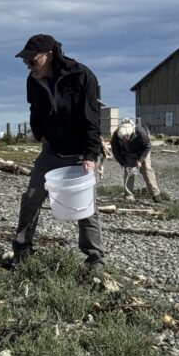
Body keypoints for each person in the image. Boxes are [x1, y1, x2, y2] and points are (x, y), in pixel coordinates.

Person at [12, 34, 105, 273]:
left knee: (85, 207)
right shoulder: (33, 80)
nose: (29, 66)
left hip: (80, 152)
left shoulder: (82, 76)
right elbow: (34, 109)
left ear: (50, 56)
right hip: (52, 151)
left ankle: (95, 260)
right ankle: (22, 251)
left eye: (32, 61)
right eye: (26, 62)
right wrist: (38, 133)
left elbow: (92, 118)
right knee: (32, 196)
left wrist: (90, 155)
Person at [111, 120, 168, 201]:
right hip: (128, 152)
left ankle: (155, 194)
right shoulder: (116, 135)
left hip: (142, 151)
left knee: (146, 169)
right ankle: (128, 196)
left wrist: (140, 160)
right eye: (122, 139)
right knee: (129, 171)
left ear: (130, 133)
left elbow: (147, 146)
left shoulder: (141, 133)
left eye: (126, 138)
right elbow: (115, 151)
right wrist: (123, 163)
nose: (124, 140)